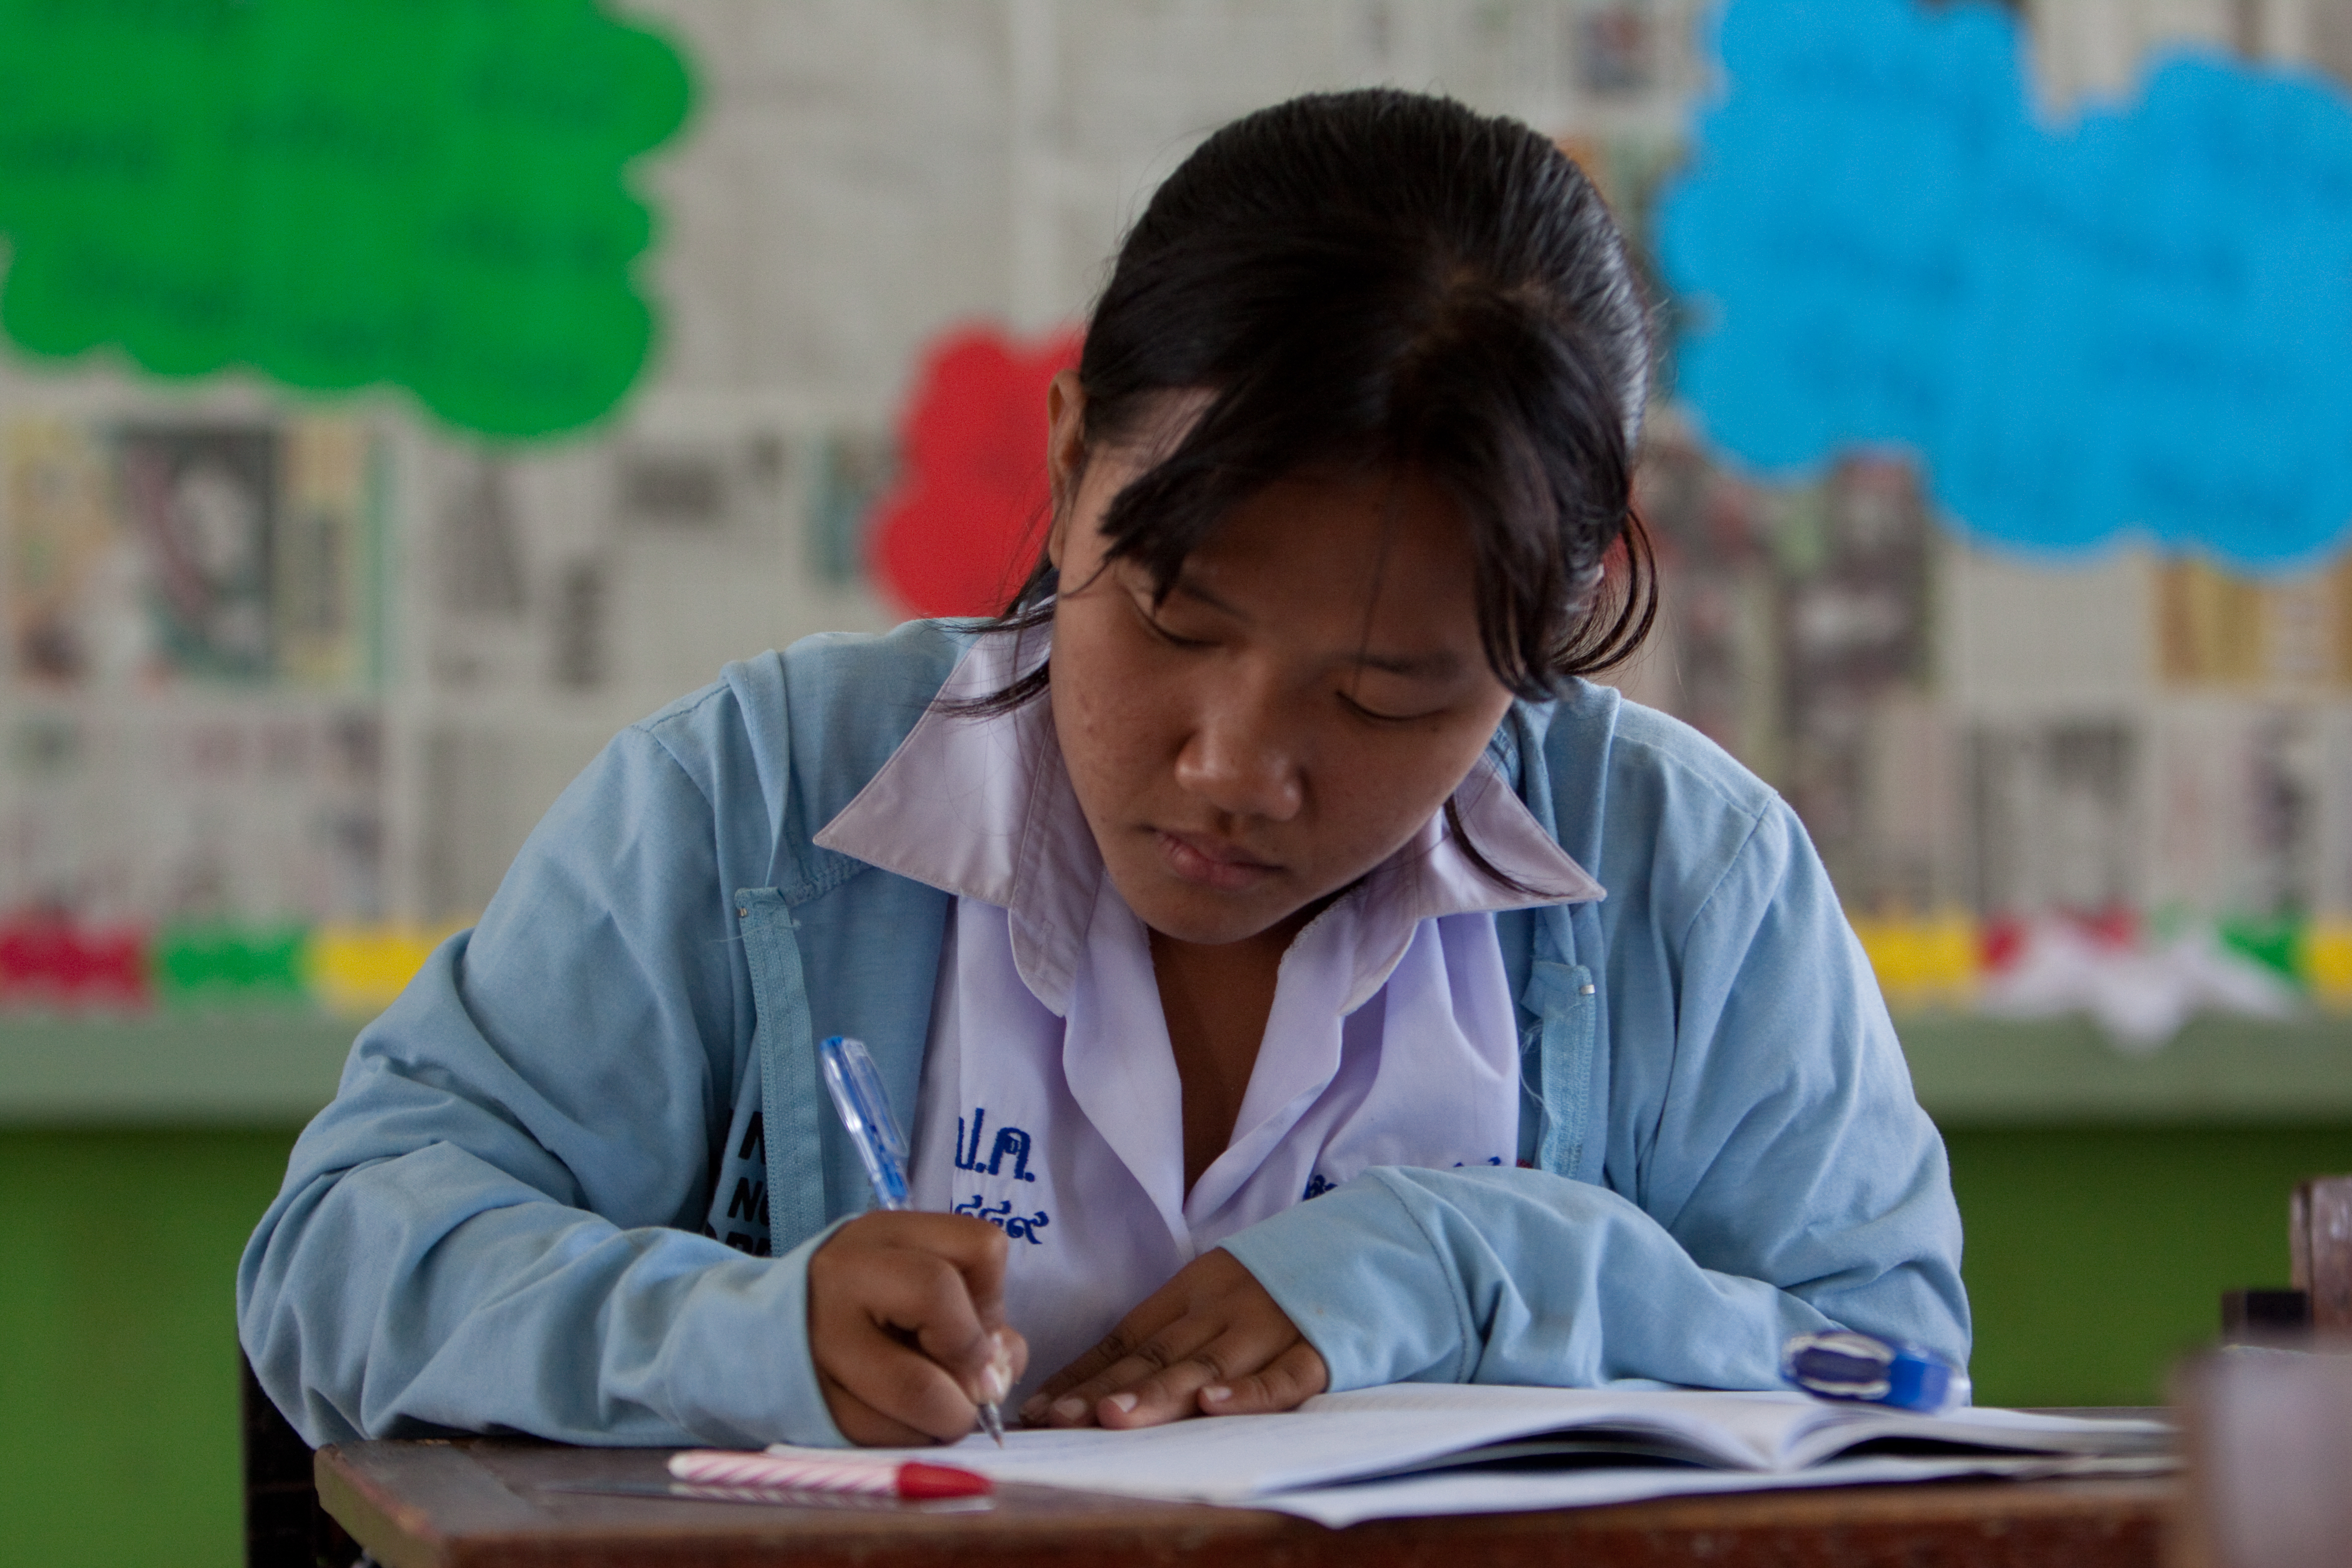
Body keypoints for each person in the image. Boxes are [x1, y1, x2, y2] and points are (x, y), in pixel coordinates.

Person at [239, 88, 1966, 1451]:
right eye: (1173, 615)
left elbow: (1890, 1374)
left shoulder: (1689, 882)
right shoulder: (760, 801)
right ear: (1071, 467)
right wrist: (743, 1337)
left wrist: (1473, 1263)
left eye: (1384, 699)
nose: (1235, 769)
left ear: (1546, 635)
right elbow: (338, 1263)